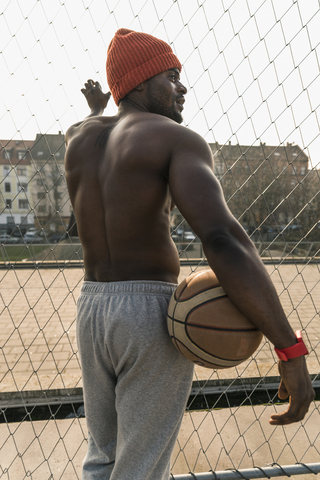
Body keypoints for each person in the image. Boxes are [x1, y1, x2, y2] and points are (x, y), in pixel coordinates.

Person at [65, 28, 314, 480]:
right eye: (172, 76)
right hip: (147, 314)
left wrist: (99, 109)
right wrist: (288, 348)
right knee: (141, 469)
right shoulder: (176, 139)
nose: (182, 87)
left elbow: (79, 127)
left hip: (91, 308)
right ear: (140, 83)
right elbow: (222, 239)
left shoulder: (80, 141)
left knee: (102, 459)